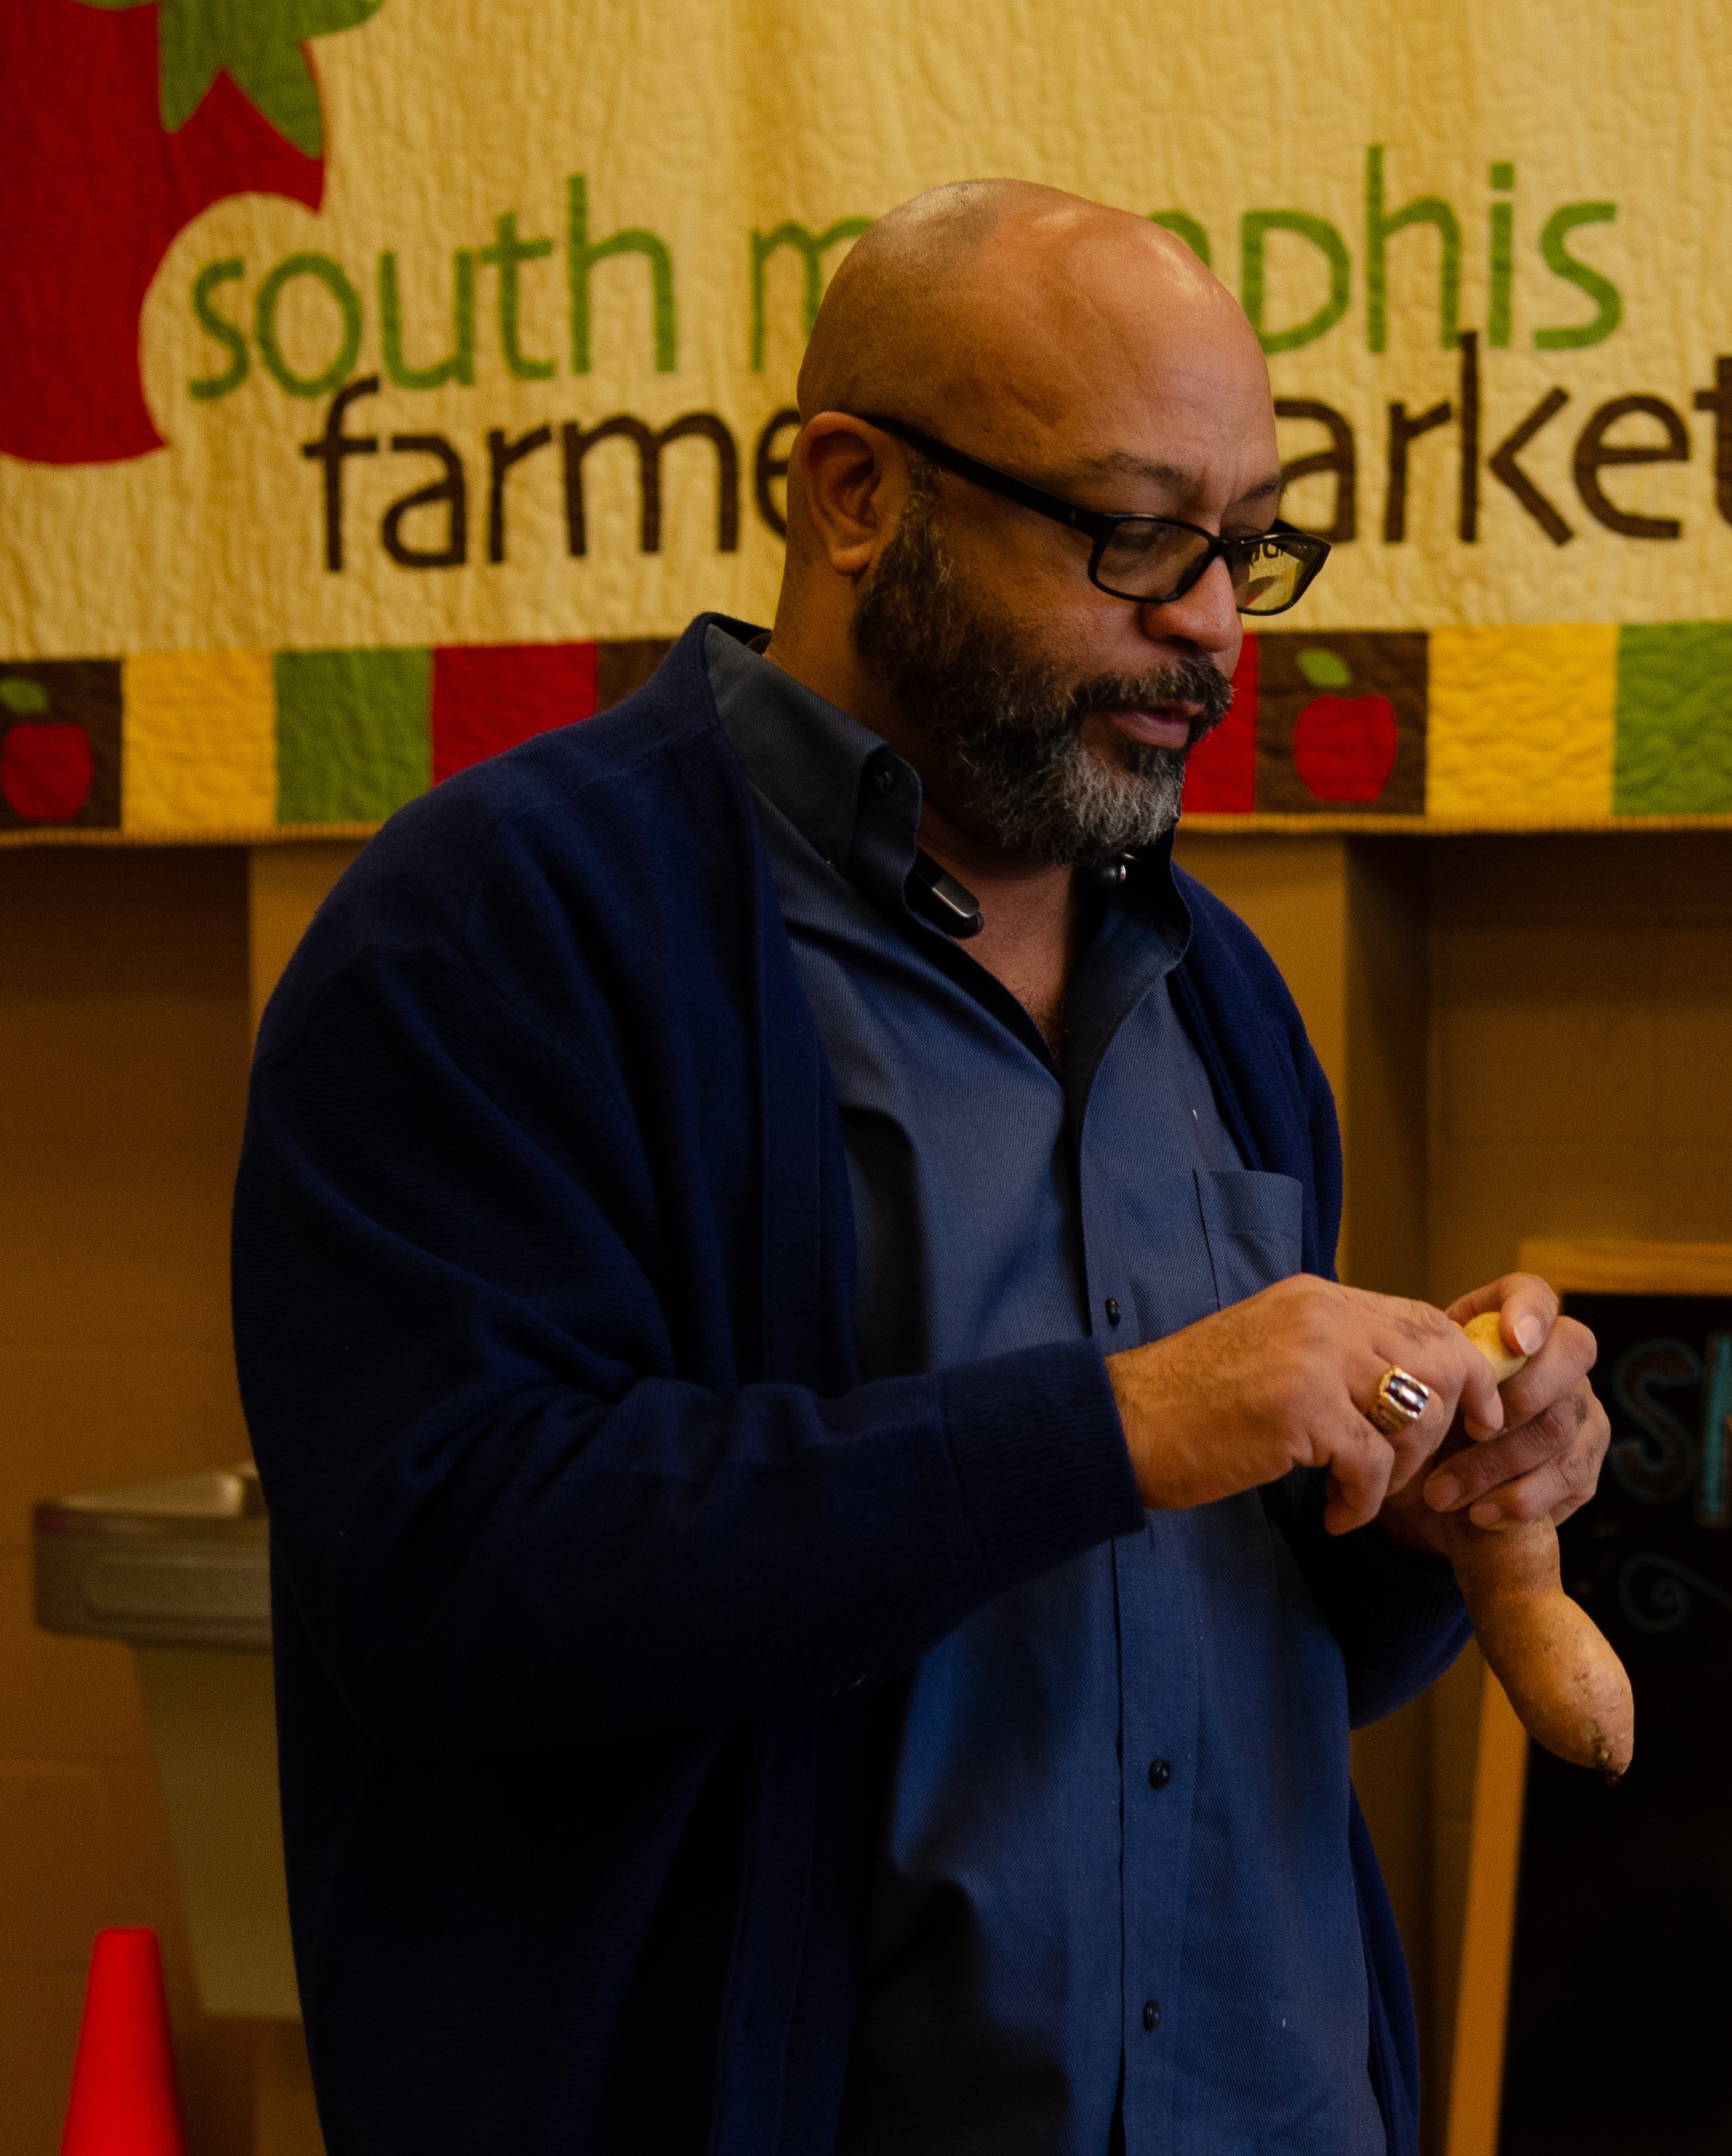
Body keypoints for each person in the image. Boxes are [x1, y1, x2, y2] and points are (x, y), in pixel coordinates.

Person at [231, 181, 1610, 2154]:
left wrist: (1420, 1509)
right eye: (1135, 534)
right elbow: (447, 1576)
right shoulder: (494, 932)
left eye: (1247, 545)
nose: (1211, 622)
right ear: (856, 493)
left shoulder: (1211, 986)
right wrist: (1119, 1419)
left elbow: (1209, 1645)